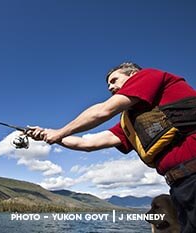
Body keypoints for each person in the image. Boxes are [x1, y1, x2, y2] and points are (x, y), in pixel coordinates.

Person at [26, 62, 196, 232]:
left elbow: (103, 111)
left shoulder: (148, 76)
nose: (110, 86)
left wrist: (59, 132)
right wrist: (49, 134)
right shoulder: (128, 124)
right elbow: (87, 143)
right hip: (181, 186)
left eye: (114, 80)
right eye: (108, 84)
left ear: (132, 75)